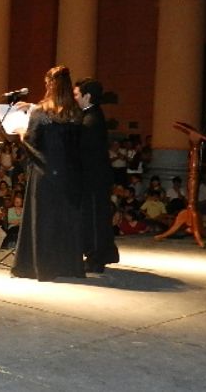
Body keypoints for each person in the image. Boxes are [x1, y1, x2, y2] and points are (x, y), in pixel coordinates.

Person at [11, 65, 85, 281]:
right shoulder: (76, 113)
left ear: (51, 85)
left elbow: (33, 143)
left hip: (44, 175)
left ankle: (41, 267)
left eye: (46, 83)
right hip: (68, 175)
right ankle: (66, 266)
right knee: (64, 220)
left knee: (43, 220)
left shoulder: (40, 113)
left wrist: (21, 133)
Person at [74, 78, 119, 273]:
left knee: (93, 219)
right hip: (96, 178)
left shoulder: (90, 120)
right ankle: (103, 254)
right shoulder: (92, 115)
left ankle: (95, 259)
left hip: (93, 179)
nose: (74, 98)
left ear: (87, 96)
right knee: (98, 217)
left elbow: (83, 151)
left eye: (76, 94)